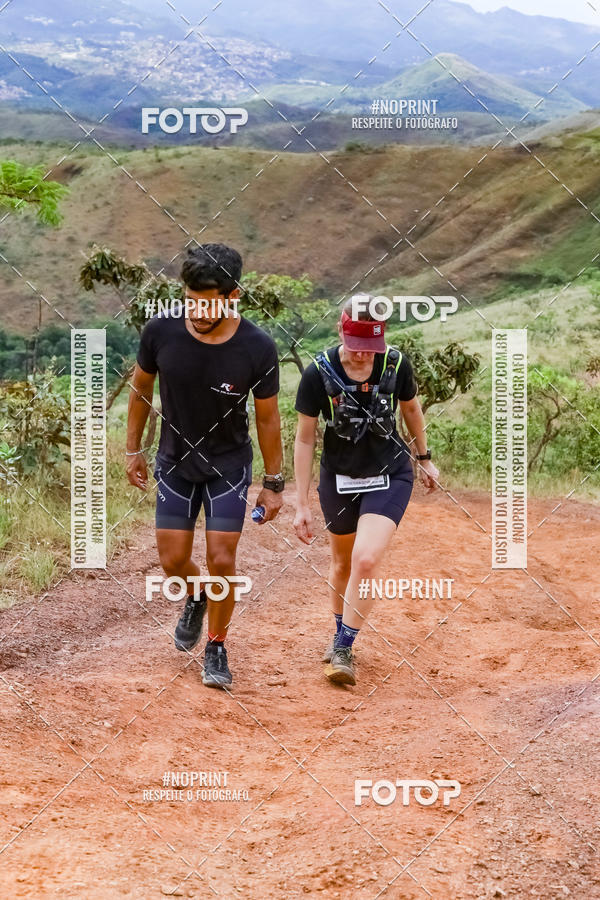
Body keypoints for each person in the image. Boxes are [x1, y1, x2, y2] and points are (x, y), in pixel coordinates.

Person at [126, 243, 285, 688]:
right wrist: (132, 449)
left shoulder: (256, 347)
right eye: (189, 297)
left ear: (233, 296)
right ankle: (195, 594)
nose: (195, 309)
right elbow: (140, 392)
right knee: (173, 561)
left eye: (207, 300)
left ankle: (216, 646)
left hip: (227, 465)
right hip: (175, 461)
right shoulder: (161, 332)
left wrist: (274, 482)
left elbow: (268, 417)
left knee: (221, 558)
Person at [293, 296, 439, 686]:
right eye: (355, 346)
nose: (362, 356)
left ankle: (343, 646)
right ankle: (340, 632)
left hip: (390, 473)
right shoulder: (318, 372)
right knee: (342, 562)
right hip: (338, 478)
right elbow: (305, 439)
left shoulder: (394, 363)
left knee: (367, 559)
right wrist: (301, 501)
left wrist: (424, 458)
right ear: (341, 331)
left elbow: (410, 409)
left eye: (369, 348)